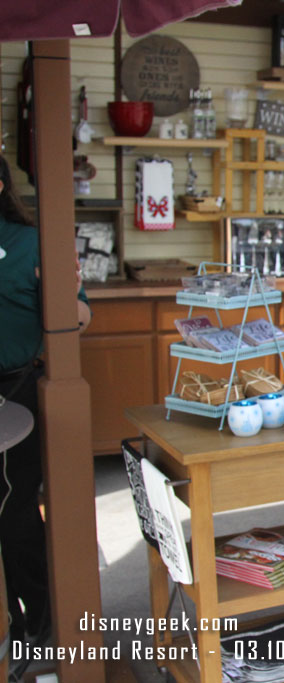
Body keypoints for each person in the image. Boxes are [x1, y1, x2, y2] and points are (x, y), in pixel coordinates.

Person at [0, 153, 90, 651]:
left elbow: (79, 318)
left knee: (13, 515)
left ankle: (36, 618)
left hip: (15, 390)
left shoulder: (30, 243)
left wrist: (70, 299)